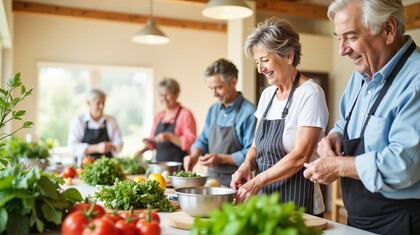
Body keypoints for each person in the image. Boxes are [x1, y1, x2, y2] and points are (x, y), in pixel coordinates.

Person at [303, 0, 420, 235]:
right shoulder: (360, 76)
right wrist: (334, 137)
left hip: (401, 222)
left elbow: (404, 165)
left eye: (351, 36)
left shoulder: (416, 80)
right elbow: (343, 124)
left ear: (388, 30)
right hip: (356, 219)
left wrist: (338, 166)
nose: (342, 50)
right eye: (339, 38)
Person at [230, 17, 329, 217]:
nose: (260, 69)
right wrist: (246, 165)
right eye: (257, 62)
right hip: (265, 201)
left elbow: (301, 155)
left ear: (289, 56)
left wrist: (257, 181)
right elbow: (256, 146)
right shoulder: (267, 95)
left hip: (299, 203)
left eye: (265, 60)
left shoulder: (310, 93)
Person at [184, 58, 257, 187]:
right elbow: (203, 138)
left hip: (237, 183)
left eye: (218, 88)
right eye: (210, 88)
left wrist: (220, 159)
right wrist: (194, 155)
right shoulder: (214, 109)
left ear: (233, 82)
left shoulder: (249, 113)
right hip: (211, 182)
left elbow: (251, 153)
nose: (213, 94)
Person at [135, 78, 197, 163]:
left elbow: (191, 143)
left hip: (179, 168)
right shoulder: (159, 116)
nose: (164, 98)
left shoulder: (185, 114)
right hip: (160, 166)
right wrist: (143, 149)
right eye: (161, 95)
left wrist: (169, 136)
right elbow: (154, 143)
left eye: (167, 95)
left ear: (176, 94)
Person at [68, 89, 123, 161]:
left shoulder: (111, 120)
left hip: (107, 165)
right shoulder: (79, 120)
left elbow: (119, 143)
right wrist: (97, 148)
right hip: (83, 167)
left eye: (103, 103)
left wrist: (111, 147)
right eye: (98, 103)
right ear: (89, 103)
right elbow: (73, 147)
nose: (102, 106)